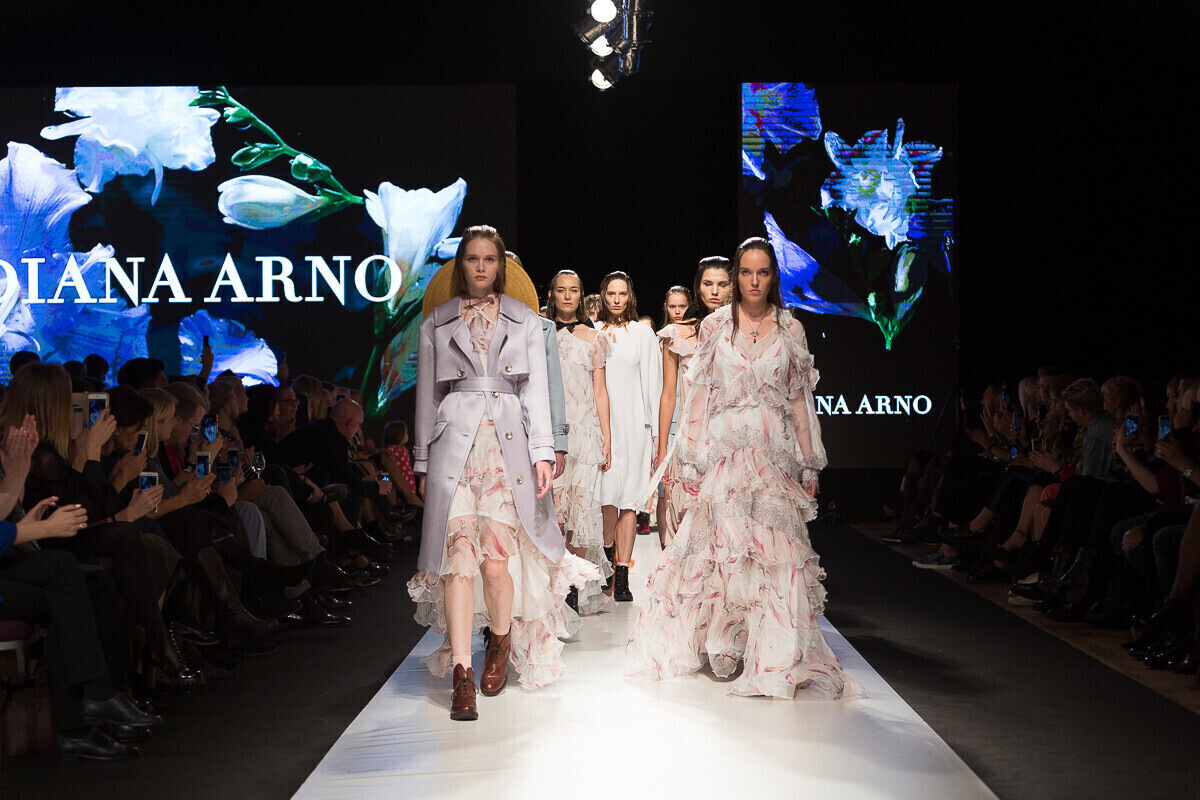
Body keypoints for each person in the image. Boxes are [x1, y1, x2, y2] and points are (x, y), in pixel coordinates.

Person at [625, 238, 863, 700]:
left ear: (774, 278)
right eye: (747, 273)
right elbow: (699, 397)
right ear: (737, 276)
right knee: (726, 548)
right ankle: (727, 640)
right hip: (725, 455)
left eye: (763, 273)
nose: (754, 281)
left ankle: (771, 648)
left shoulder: (791, 329)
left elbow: (799, 400)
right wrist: (689, 456)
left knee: (773, 552)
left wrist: (809, 462)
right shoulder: (715, 326)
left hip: (774, 457)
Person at [408, 226, 597, 721]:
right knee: (458, 560)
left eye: (489, 259)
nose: (480, 267)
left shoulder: (525, 320)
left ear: (500, 266)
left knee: (495, 564)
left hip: (505, 446)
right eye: (472, 258)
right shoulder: (437, 322)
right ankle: (462, 674)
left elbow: (536, 390)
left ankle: (500, 639)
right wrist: (422, 461)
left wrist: (543, 452)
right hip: (454, 447)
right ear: (460, 265)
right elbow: (428, 395)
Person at [545, 270, 612, 615]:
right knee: (555, 515)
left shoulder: (596, 338)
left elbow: (600, 391)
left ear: (581, 295)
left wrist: (607, 438)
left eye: (574, 290)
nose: (568, 296)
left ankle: (572, 591)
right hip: (550, 432)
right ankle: (555, 586)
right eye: (561, 290)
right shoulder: (541, 334)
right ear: (552, 294)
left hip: (585, 433)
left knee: (581, 512)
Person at [596, 271, 662, 602]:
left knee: (630, 503)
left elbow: (653, 383)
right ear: (603, 296)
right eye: (611, 293)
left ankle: (622, 577)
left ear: (630, 297)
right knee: (606, 497)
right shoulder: (593, 332)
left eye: (622, 294)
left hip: (635, 425)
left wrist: (654, 433)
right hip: (603, 425)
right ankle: (607, 556)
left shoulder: (642, 334)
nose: (617, 299)